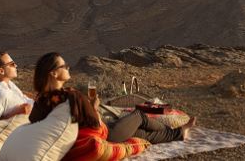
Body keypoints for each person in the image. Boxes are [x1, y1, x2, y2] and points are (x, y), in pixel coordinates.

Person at [29, 52, 196, 144]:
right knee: (140, 116)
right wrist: (93, 105)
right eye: (64, 66)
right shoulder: (69, 95)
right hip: (103, 135)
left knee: (141, 134)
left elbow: (40, 122)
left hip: (84, 136)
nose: (68, 67)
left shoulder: (41, 99)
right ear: (53, 73)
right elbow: (93, 122)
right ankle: (176, 131)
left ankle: (179, 133)